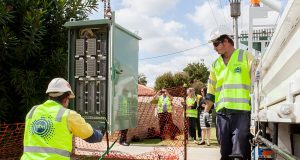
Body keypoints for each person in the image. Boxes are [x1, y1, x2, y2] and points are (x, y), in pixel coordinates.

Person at [204, 26, 256, 160]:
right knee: (224, 151)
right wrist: (206, 112)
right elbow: (211, 91)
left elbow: (257, 79)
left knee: (239, 151)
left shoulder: (245, 56)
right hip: (222, 114)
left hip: (241, 113)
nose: (214, 48)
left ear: (226, 41)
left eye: (216, 44)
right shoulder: (215, 65)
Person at [21, 78, 103, 160]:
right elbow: (91, 136)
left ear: (49, 95)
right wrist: (101, 132)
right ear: (66, 98)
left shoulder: (33, 111)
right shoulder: (68, 115)